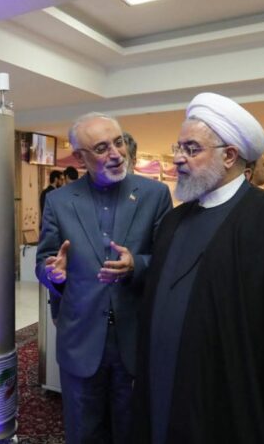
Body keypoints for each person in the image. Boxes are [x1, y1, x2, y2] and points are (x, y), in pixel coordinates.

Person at [132, 93, 264, 444]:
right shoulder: (174, 222)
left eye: (192, 149)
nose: (177, 158)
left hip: (233, 406)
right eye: (178, 147)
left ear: (229, 156)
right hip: (164, 391)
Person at [37, 112, 172, 444]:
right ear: (79, 157)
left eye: (119, 142)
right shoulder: (59, 201)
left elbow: (168, 260)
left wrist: (136, 265)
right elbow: (45, 260)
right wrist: (54, 273)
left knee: (132, 431)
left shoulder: (155, 195)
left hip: (134, 338)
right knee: (83, 431)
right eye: (102, 148)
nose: (116, 153)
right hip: (80, 339)